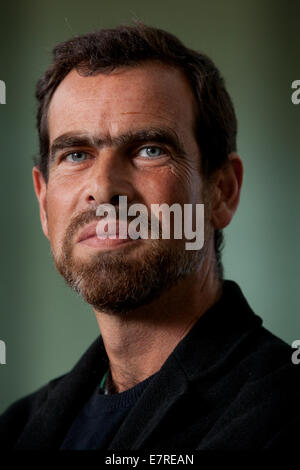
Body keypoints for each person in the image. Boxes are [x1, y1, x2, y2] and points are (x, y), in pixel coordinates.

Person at [0, 22, 299, 450]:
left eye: (149, 150)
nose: (103, 189)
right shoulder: (17, 429)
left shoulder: (282, 415)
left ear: (222, 192)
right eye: (76, 154)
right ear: (44, 201)